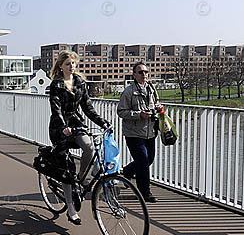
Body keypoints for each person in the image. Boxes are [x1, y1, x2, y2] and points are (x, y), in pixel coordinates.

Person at [48, 50, 110, 225]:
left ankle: (81, 178)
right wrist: (63, 126)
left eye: (74, 63)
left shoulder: (80, 82)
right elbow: (56, 109)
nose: (72, 66)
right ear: (61, 66)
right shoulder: (56, 84)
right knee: (66, 169)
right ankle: (71, 208)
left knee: (89, 146)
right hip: (59, 128)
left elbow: (87, 107)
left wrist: (101, 121)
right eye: (68, 64)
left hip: (76, 124)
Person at [117, 61, 163, 203]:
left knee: (149, 159)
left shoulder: (151, 88)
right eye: (141, 72)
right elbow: (121, 111)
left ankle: (128, 171)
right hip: (133, 133)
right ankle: (145, 193)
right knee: (143, 161)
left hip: (150, 131)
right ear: (134, 75)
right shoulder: (129, 92)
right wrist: (138, 114)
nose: (144, 74)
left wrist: (159, 107)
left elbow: (155, 103)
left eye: (146, 72)